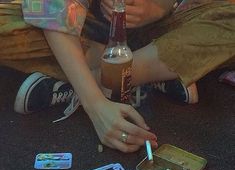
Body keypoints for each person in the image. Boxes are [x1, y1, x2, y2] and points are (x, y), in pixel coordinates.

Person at [0, 0, 235, 153]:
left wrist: (161, 7)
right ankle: (158, 70)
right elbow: (51, 8)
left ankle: (96, 75)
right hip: (86, 28)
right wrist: (96, 106)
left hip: (171, 23)